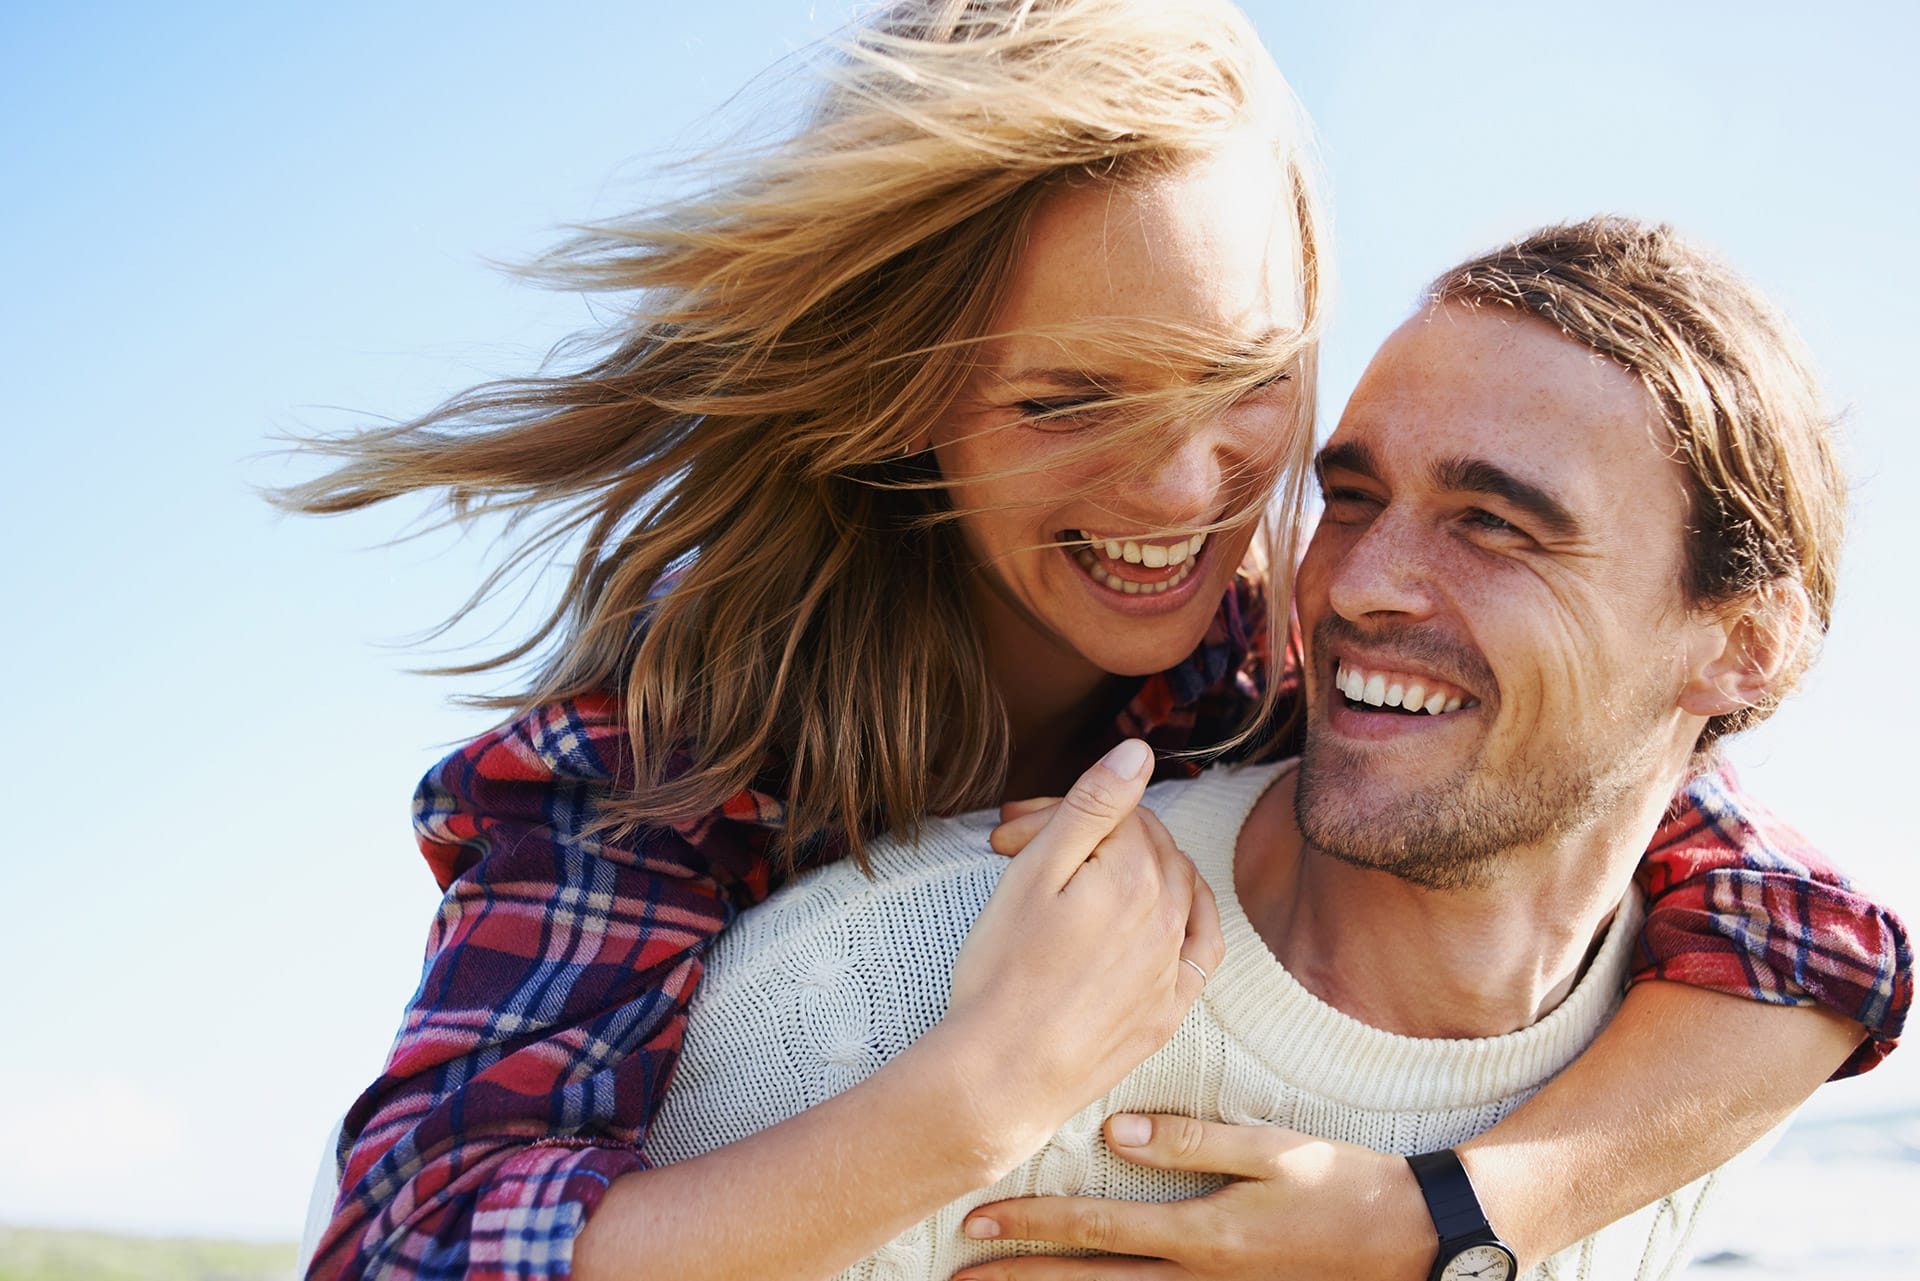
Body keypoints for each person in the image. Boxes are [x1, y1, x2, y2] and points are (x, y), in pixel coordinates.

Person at [276, 4, 1908, 1280]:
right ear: (907, 393)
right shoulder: (669, 752)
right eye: (1071, 402)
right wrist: (978, 1100)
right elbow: (406, 1250)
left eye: (1247, 381)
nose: (1185, 488)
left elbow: (1808, 936)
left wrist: (1434, 1220)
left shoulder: (1268, 654)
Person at [642, 216, 1904, 1281]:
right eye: (1349, 500)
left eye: (1496, 524)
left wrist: (1447, 1231)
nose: (1362, 585)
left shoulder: (1699, 1083)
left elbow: (1838, 947)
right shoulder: (876, 995)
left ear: (1744, 647)